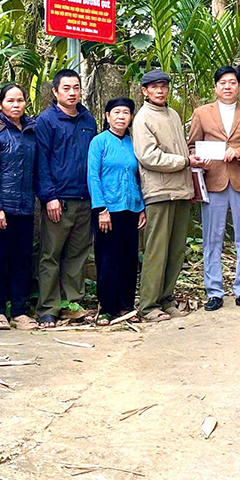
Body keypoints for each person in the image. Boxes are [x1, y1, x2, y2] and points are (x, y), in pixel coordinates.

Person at [187, 66, 240, 312]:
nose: (227, 87)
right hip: (213, 182)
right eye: (222, 82)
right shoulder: (202, 113)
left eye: (232, 82)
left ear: (239, 86)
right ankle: (214, 291)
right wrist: (197, 159)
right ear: (215, 87)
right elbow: (192, 146)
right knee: (212, 238)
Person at [134, 69, 204, 322]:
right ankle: (148, 305)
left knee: (175, 251)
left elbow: (183, 151)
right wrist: (185, 161)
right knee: (156, 250)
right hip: (159, 192)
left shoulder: (172, 114)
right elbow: (148, 156)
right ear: (145, 91)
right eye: (154, 87)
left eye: (164, 86)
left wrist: (192, 183)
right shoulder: (142, 118)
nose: (160, 91)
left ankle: (166, 299)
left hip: (181, 191)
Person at [33, 69, 98, 328]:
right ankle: (48, 308)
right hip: (58, 200)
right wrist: (49, 197)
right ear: (56, 92)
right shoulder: (46, 121)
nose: (72, 93)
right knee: (51, 255)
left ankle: (73, 304)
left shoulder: (88, 120)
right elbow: (42, 162)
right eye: (67, 88)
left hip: (85, 198)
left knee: (78, 255)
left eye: (76, 88)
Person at [0, 84, 39, 331]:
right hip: (1, 207)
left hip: (25, 206)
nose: (16, 105)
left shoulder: (31, 130)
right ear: (1, 103)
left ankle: (19, 311)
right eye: (10, 101)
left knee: (21, 260)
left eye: (20, 100)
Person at [87, 98, 148, 324]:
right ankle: (106, 307)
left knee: (129, 258)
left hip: (130, 209)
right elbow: (93, 176)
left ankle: (125, 306)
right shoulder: (99, 142)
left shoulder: (134, 143)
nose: (121, 116)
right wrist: (101, 209)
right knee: (107, 259)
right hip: (107, 211)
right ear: (107, 116)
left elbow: (138, 177)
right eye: (116, 112)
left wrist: (141, 207)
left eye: (126, 113)